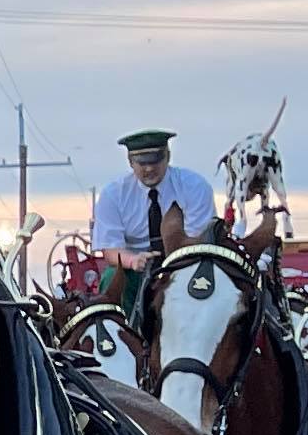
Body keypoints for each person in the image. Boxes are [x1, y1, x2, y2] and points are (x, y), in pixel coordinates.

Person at [82, 131, 218, 305]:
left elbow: (201, 240)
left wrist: (173, 265)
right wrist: (133, 261)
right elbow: (110, 249)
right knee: (112, 278)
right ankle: (119, 330)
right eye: (142, 162)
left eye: (156, 160)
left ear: (168, 157)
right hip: (136, 267)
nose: (149, 168)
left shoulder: (195, 187)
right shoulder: (113, 195)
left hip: (186, 263)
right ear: (130, 162)